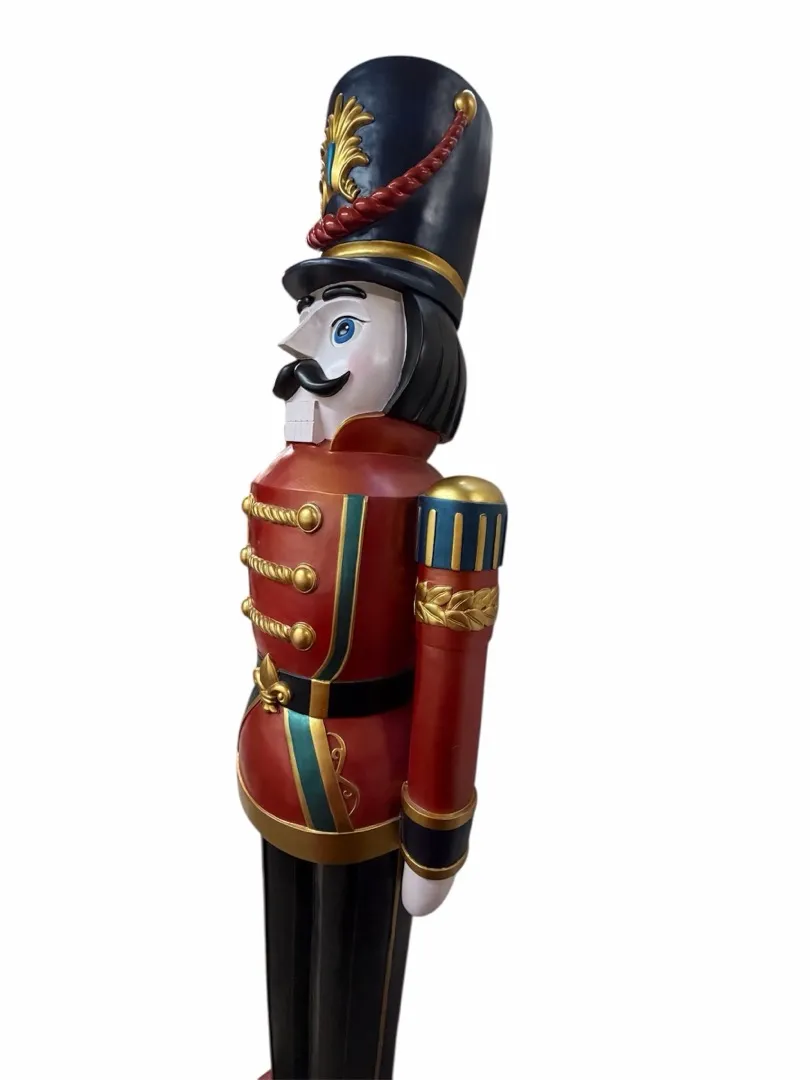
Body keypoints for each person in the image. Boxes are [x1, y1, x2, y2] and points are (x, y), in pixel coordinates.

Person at [237, 55, 507, 1080]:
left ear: (421, 351)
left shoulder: (447, 505)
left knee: (355, 984)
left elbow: (452, 678)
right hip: (278, 745)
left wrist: (437, 831)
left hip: (371, 779)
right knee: (286, 954)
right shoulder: (286, 470)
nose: (297, 345)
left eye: (342, 323)